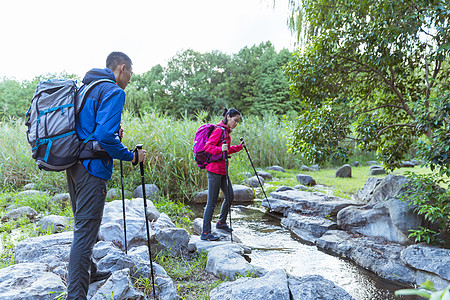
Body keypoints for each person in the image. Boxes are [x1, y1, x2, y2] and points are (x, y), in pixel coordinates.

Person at [66, 51, 146, 299]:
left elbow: (90, 129)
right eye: (130, 72)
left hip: (74, 166)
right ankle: (76, 296)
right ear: (122, 68)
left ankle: (89, 271)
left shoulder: (87, 88)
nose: (130, 78)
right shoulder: (113, 91)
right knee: (85, 230)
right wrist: (132, 156)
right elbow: (103, 137)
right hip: (93, 170)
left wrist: (111, 133)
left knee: (83, 224)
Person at [201, 108, 244, 241]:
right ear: (228, 117)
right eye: (235, 120)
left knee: (230, 196)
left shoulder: (226, 133)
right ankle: (205, 233)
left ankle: (221, 223)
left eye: (237, 121)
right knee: (211, 202)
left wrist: (239, 147)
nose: (236, 124)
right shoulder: (219, 130)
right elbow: (207, 147)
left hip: (223, 170)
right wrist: (220, 148)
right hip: (214, 170)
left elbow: (226, 151)